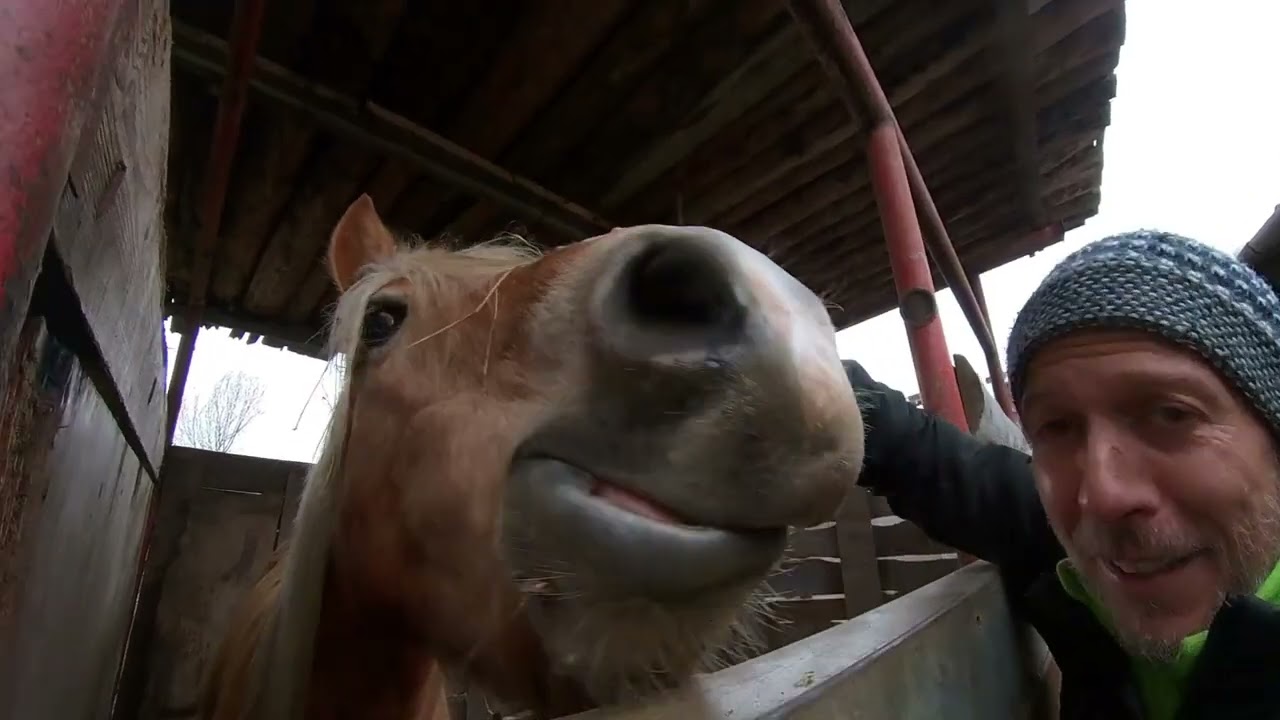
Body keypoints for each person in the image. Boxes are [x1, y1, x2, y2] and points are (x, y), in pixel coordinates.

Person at [845, 230, 1280, 720]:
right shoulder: (1067, 551)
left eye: (1171, 415)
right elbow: (930, 462)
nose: (1102, 495)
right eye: (1057, 427)